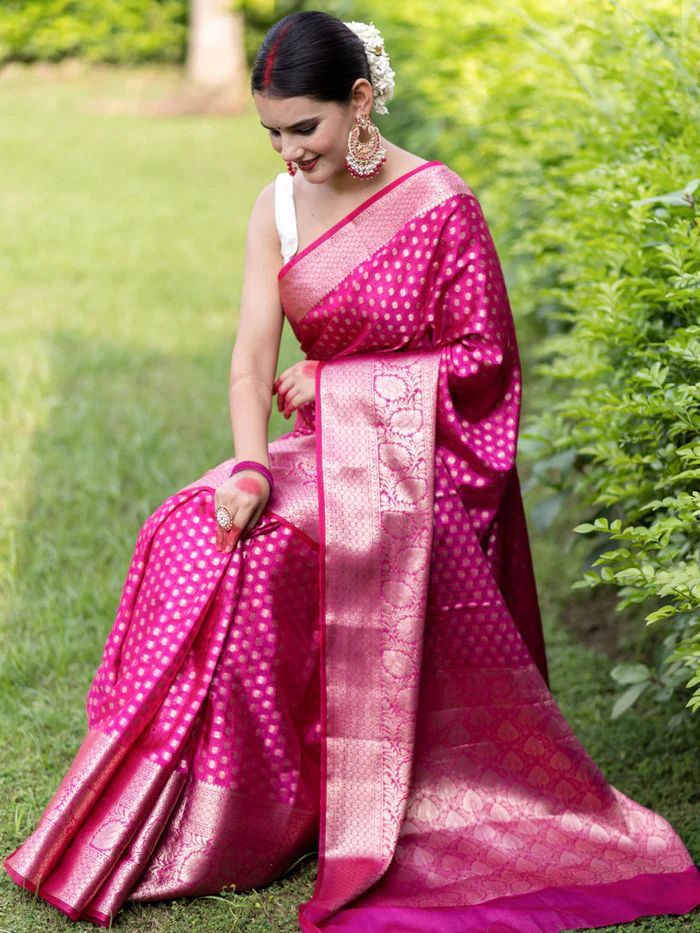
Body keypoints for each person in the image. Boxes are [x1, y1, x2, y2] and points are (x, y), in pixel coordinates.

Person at [4, 10, 700, 931]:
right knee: (187, 528)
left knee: (266, 559)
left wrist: (337, 382)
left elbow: (487, 364)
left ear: (359, 100)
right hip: (316, 454)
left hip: (420, 477)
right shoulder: (278, 206)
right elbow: (253, 362)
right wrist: (249, 465)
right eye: (274, 133)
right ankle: (168, 808)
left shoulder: (441, 203)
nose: (291, 152)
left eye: (307, 128)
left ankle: (253, 821)